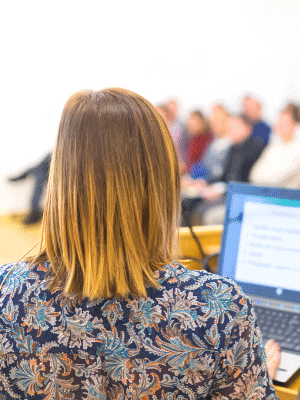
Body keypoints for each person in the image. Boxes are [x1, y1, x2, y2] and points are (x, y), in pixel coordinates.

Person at [0, 88, 279, 399]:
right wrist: (252, 378)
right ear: (163, 182)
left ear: (61, 179)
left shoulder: (6, 294)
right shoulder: (219, 308)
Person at [182, 114, 264, 225]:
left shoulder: (256, 149)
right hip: (225, 189)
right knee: (187, 202)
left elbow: (247, 182)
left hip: (237, 195)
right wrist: (206, 182)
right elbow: (224, 176)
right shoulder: (233, 148)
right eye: (230, 128)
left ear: (247, 128)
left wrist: (222, 191)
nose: (231, 131)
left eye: (235, 127)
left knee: (202, 210)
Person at [249, 108, 300, 189]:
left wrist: (263, 180)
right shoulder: (273, 148)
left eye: (285, 123)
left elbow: (277, 179)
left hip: (289, 198)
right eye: (279, 123)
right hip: (266, 194)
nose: (280, 126)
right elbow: (254, 174)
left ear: (295, 125)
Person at [8, 152, 52, 225]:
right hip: (45, 167)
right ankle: (35, 214)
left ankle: (35, 214)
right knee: (36, 171)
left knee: (37, 173)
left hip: (48, 167)